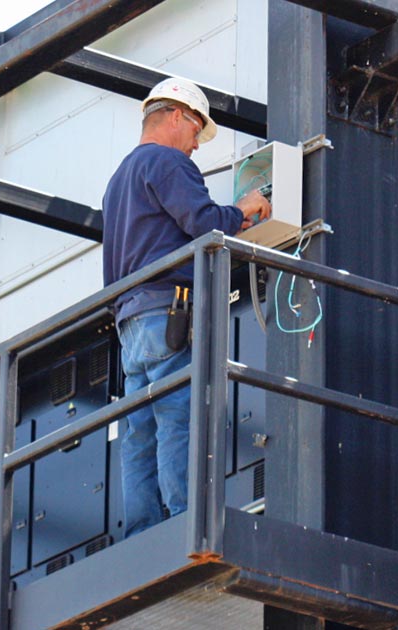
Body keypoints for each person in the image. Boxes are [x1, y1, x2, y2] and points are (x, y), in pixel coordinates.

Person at [102, 78, 270, 538]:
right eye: (197, 129)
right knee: (178, 417)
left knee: (138, 434)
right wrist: (243, 209)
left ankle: (142, 533)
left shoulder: (118, 180)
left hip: (130, 323)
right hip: (167, 313)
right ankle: (184, 523)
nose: (196, 145)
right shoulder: (168, 161)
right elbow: (203, 223)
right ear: (176, 116)